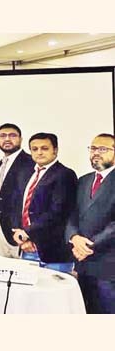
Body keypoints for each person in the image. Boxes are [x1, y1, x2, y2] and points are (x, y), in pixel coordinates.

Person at [11, 132, 78, 273]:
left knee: (54, 288)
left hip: (53, 252)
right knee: (28, 287)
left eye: (44, 148)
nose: (39, 152)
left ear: (55, 150)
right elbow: (18, 206)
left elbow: (58, 213)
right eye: (34, 149)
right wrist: (22, 237)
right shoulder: (26, 174)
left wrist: (27, 233)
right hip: (27, 248)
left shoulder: (65, 174)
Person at [66, 134, 115, 313]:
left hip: (109, 265)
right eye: (93, 148)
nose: (96, 153)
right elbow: (72, 214)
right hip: (83, 264)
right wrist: (74, 237)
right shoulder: (84, 180)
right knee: (87, 312)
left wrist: (88, 245)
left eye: (103, 149)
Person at [0, 123, 35, 258]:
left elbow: (31, 199)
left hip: (19, 231)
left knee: (21, 269)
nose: (7, 139)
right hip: (0, 227)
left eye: (12, 135)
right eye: (2, 136)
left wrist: (28, 232)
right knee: (4, 268)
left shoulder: (30, 162)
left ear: (21, 139)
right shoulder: (1, 163)